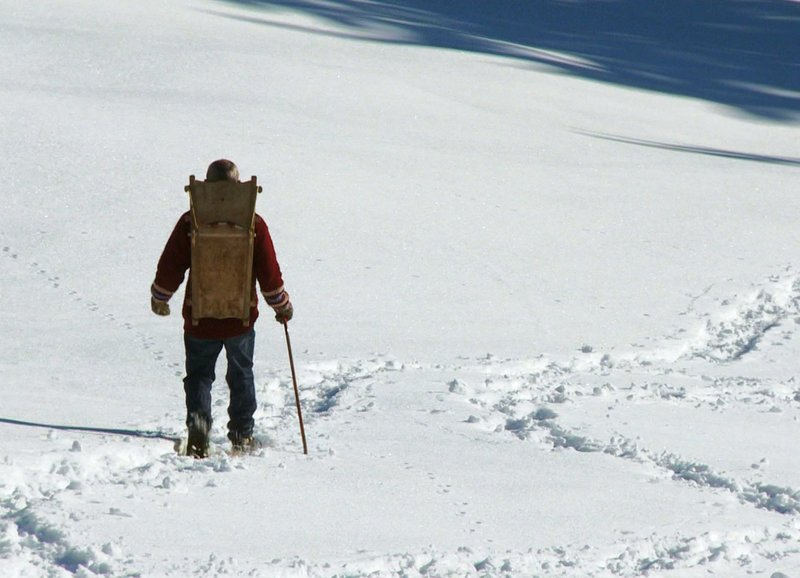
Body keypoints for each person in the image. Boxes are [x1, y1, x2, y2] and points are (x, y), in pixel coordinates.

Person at [150, 159, 293, 457]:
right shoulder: (254, 223)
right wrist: (282, 306)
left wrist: (160, 297)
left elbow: (171, 266)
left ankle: (199, 431)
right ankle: (241, 435)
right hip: (240, 320)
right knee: (241, 374)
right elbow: (269, 274)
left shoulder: (192, 222)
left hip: (199, 318)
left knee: (199, 376)